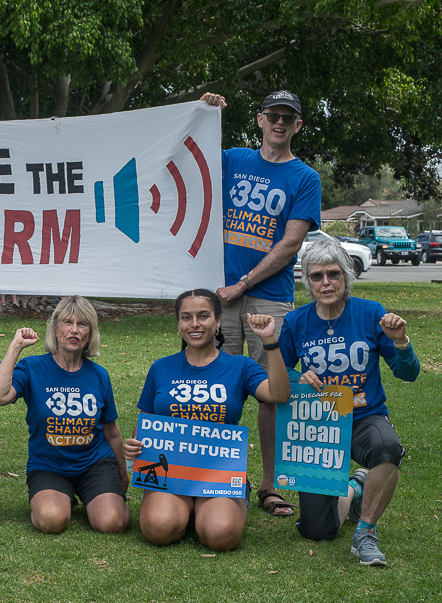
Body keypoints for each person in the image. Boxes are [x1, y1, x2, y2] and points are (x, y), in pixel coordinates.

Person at [201, 90, 321, 517]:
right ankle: (221, 477)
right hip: (219, 296)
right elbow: (187, 154)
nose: (280, 123)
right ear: (259, 119)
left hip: (268, 299)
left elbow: (291, 243)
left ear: (298, 126)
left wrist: (244, 282)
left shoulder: (305, 177)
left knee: (271, 393)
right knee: (218, 388)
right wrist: (205, 112)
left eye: (289, 117)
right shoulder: (233, 159)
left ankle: (269, 486)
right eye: (273, 115)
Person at [280, 239, 419, 566]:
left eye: (333, 274)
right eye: (316, 276)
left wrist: (401, 343)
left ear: (346, 277)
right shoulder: (296, 322)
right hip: (319, 423)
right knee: (317, 531)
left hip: (364, 418)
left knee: (387, 448)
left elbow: (407, 373)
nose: (325, 283)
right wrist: (294, 376)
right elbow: (277, 370)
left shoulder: (371, 313)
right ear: (307, 281)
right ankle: (356, 486)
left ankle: (366, 532)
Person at [123, 289, 291, 551]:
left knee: (219, 534)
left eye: (203, 316)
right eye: (186, 317)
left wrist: (269, 340)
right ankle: (182, 508)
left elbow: (279, 394)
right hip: (171, 473)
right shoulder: (161, 368)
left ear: (218, 321)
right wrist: (134, 447)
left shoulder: (240, 366)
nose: (195, 324)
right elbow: (147, 421)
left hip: (219, 472)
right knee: (159, 528)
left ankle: (208, 509)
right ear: (178, 325)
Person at [0, 296, 129, 534]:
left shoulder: (99, 375)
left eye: (82, 324)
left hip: (94, 463)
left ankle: (94, 496)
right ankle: (61, 498)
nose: (74, 330)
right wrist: (15, 347)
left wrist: (122, 474)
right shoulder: (32, 368)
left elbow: (111, 432)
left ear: (90, 333)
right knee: (52, 521)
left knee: (112, 523)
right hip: (48, 466)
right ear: (55, 329)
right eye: (67, 322)